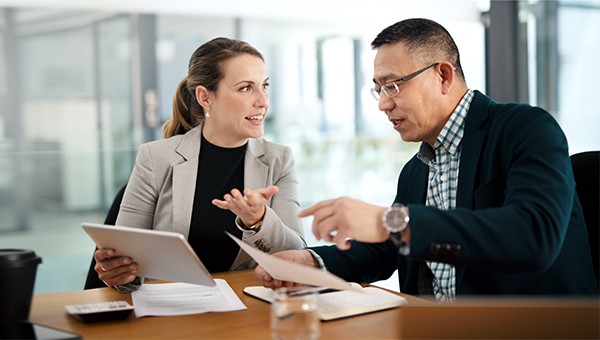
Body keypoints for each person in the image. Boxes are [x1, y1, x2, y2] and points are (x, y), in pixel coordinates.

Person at [255, 18, 598, 300]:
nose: (382, 104)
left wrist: (393, 221)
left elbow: (533, 235)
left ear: (443, 76)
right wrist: (309, 262)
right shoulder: (416, 170)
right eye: (378, 88)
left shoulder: (526, 128)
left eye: (393, 85)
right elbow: (388, 249)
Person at [93, 37, 306, 292]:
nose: (262, 101)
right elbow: (125, 267)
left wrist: (259, 220)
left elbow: (298, 256)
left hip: (247, 312)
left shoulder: (278, 160)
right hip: (173, 313)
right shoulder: (156, 158)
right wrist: (120, 275)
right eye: (246, 88)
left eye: (265, 86)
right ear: (205, 97)